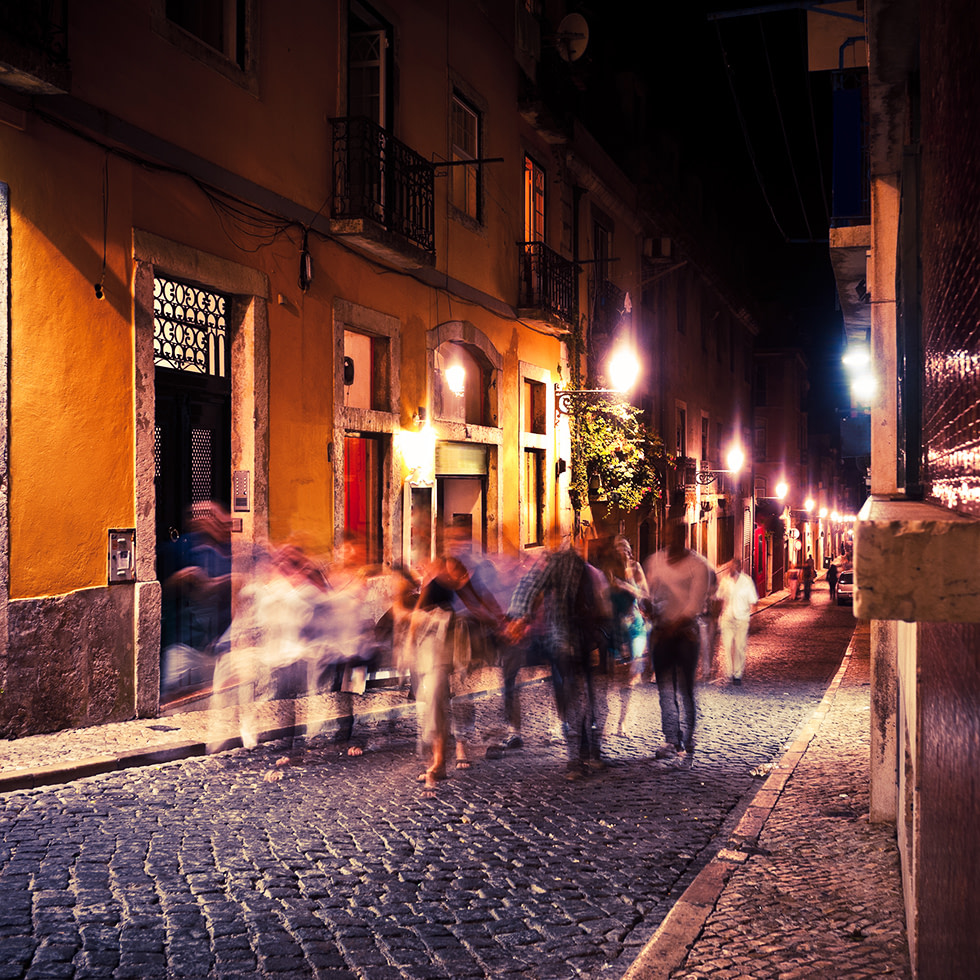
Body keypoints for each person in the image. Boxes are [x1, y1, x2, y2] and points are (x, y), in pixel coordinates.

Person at [504, 536, 603, 779]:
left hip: (577, 639)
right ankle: (580, 755)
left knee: (583, 694)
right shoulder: (564, 563)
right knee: (576, 692)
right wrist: (521, 617)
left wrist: (519, 617)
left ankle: (586, 751)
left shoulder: (588, 568)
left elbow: (531, 588)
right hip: (567, 638)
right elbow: (531, 588)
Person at [643, 518, 712, 758]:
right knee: (665, 689)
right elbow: (650, 594)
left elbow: (694, 604)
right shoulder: (654, 562)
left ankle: (689, 736)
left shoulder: (698, 565)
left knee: (686, 689)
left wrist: (673, 625)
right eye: (667, 533)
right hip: (662, 634)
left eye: (675, 533)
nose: (670, 538)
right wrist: (648, 607)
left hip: (685, 637)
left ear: (684, 536)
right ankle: (671, 739)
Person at [715, 558, 759, 686]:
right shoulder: (725, 581)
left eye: (733, 566)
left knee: (739, 646)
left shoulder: (747, 581)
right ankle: (730, 671)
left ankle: (737, 674)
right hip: (727, 618)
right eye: (730, 566)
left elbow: (754, 600)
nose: (731, 569)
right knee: (728, 645)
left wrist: (754, 618)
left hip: (742, 618)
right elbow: (719, 597)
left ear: (739, 568)